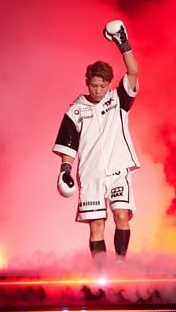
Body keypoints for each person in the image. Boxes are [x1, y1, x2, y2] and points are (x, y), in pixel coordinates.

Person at [53, 20, 140, 263]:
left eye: (102, 86)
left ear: (108, 84)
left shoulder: (118, 99)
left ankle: (120, 264)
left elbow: (133, 72)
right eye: (94, 85)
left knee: (121, 214)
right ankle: (102, 272)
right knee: (97, 224)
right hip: (90, 173)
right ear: (87, 83)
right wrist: (65, 170)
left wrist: (123, 44)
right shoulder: (75, 110)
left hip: (117, 170)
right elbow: (68, 145)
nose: (98, 90)